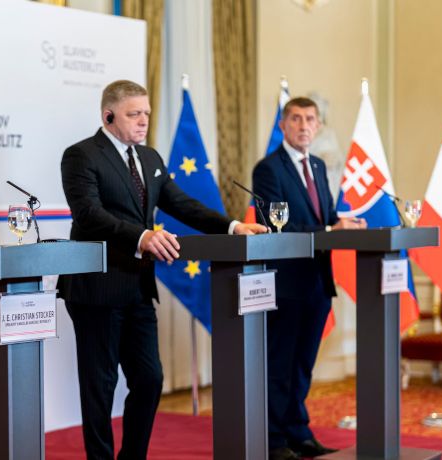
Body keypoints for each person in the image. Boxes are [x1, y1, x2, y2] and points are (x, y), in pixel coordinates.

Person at [59, 79, 268, 459]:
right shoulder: (81, 155)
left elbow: (181, 204)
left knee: (150, 378)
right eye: (134, 114)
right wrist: (141, 237)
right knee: (100, 387)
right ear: (108, 116)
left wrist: (232, 226)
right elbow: (89, 215)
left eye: (147, 114)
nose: (143, 121)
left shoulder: (150, 158)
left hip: (138, 288)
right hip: (97, 288)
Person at [251, 97, 366, 460]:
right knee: (280, 365)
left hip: (318, 281)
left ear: (318, 127)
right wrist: (332, 226)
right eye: (296, 119)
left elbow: (327, 217)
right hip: (286, 283)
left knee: (303, 366)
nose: (303, 126)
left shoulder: (317, 166)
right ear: (283, 126)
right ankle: (272, 440)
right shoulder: (268, 169)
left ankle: (298, 433)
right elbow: (276, 225)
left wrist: (344, 224)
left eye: (310, 120)